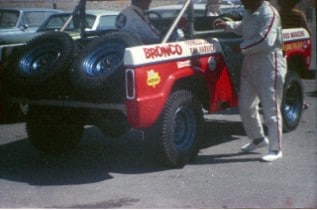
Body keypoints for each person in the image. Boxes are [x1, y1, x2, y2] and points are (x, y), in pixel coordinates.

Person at [214, 0, 287, 161]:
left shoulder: (269, 13)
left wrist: (240, 47)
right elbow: (243, 27)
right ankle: (258, 139)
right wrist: (227, 25)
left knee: (271, 107)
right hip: (250, 61)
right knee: (245, 104)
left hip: (268, 61)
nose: (242, 2)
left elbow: (266, 39)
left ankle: (276, 149)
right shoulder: (249, 10)